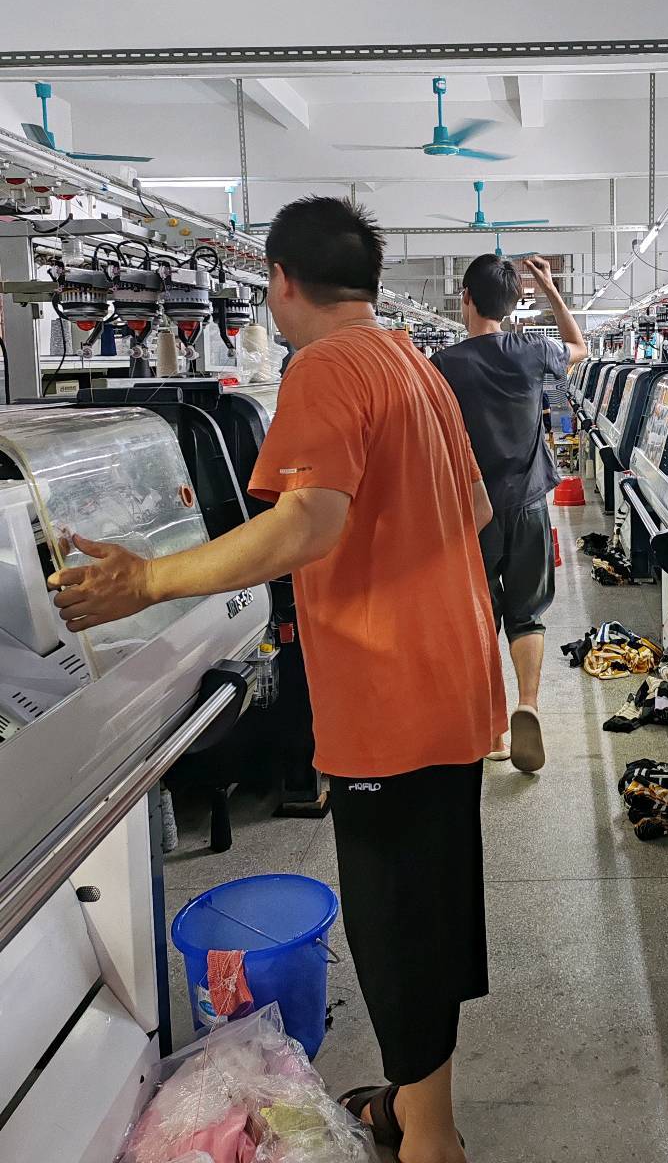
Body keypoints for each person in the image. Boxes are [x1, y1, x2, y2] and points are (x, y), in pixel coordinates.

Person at [47, 195, 504, 1163]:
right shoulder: (416, 367)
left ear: (282, 281)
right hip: (455, 685)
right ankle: (415, 1112)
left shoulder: (324, 367)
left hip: (388, 702)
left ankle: (434, 1145)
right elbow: (472, 508)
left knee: (396, 933)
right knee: (427, 920)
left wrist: (147, 581)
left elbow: (307, 524)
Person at [433, 255, 587, 773]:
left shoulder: (443, 365)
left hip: (470, 512)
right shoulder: (533, 350)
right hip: (528, 505)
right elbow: (579, 348)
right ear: (514, 304)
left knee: (480, 616)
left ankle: (495, 728)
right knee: (528, 613)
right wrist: (550, 289)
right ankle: (529, 705)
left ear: (465, 298)